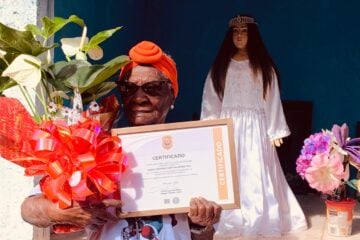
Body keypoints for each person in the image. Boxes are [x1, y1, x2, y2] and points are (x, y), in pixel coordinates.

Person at [21, 40, 222, 240]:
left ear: (172, 95)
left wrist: (201, 224)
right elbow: (29, 208)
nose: (139, 97)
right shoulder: (95, 147)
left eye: (152, 88)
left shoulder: (193, 152)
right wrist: (63, 212)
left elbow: (203, 234)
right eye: (129, 88)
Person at [200, 14, 308, 237]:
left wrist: (275, 129)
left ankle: (261, 216)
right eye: (235, 32)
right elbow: (211, 99)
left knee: (257, 171)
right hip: (228, 127)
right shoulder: (220, 67)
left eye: (244, 32)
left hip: (256, 128)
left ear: (253, 36)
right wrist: (210, 127)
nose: (239, 36)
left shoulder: (263, 67)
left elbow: (272, 99)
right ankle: (230, 216)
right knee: (229, 171)